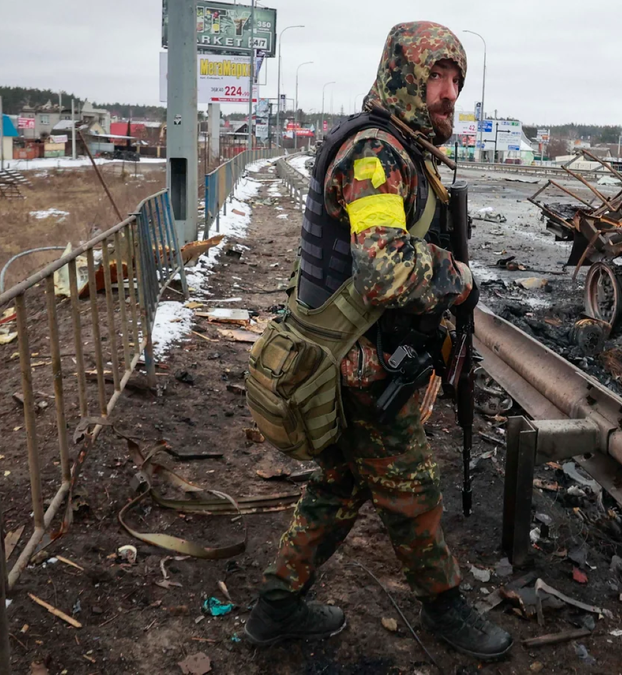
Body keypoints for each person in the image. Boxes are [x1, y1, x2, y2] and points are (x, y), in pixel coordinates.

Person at [244, 21, 513, 661]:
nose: (449, 93)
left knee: (341, 483)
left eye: (456, 80)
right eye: (437, 78)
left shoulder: (403, 148)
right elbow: (385, 266)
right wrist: (461, 276)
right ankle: (447, 608)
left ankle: (274, 610)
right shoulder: (375, 154)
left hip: (357, 355)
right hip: (355, 363)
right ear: (403, 77)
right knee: (411, 490)